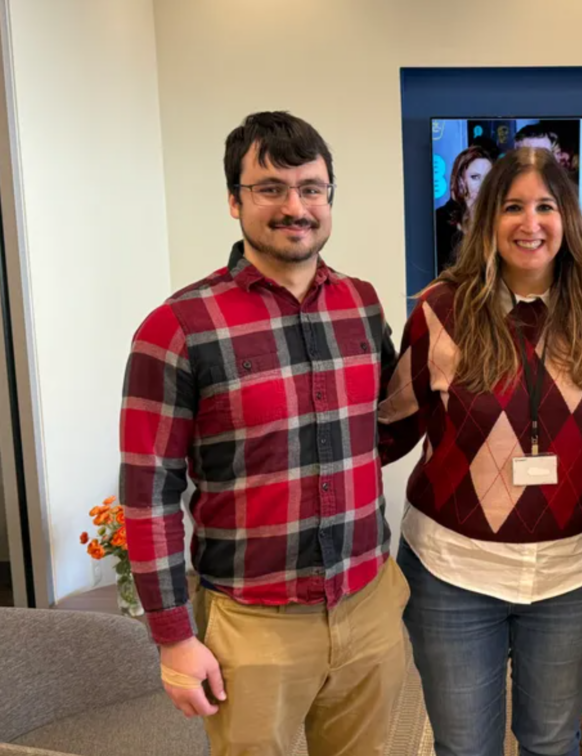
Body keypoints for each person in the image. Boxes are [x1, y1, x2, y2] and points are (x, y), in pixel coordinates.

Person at [119, 111, 408, 756]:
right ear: (233, 200)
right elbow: (148, 494)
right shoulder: (177, 328)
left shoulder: (360, 305)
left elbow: (378, 434)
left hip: (367, 605)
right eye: (270, 188)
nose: (295, 206)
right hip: (252, 624)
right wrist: (173, 637)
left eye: (312, 188)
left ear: (329, 197)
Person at [379, 147, 582, 756]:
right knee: (465, 745)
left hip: (574, 573)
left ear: (567, 218)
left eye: (545, 206)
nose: (530, 223)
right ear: (485, 218)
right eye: (512, 206)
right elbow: (389, 427)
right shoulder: (441, 312)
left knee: (552, 741)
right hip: (452, 571)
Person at [436, 144, 494, 270]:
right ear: (460, 181)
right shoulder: (438, 221)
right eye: (475, 177)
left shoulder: (499, 220)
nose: (483, 185)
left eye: (488, 178)